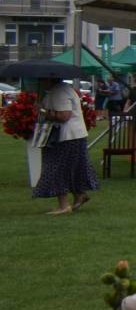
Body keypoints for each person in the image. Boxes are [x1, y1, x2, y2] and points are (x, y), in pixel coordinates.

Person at [32, 77, 96, 214]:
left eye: (42, 79)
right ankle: (79, 195)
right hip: (74, 135)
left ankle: (64, 206)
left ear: (50, 79)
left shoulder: (59, 92)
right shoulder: (64, 90)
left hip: (66, 137)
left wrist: (42, 111)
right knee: (71, 167)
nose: (41, 81)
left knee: (57, 169)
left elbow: (64, 116)